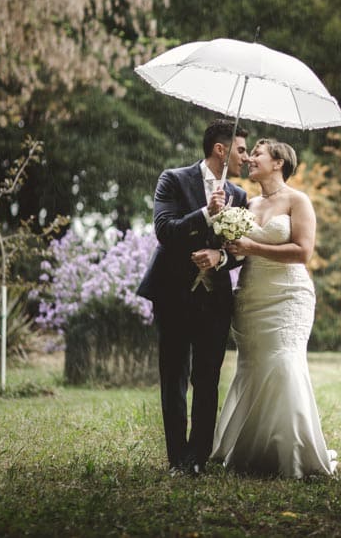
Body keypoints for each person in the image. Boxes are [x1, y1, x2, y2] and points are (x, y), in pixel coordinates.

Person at [211, 139, 337, 478]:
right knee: (253, 369)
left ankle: (292, 451)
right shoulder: (246, 204)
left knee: (283, 363)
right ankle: (252, 450)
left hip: (288, 296)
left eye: (257, 154)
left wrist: (251, 245)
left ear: (278, 162)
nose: (250, 158)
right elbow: (236, 254)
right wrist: (219, 220)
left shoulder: (299, 201)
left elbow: (302, 252)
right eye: (250, 154)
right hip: (251, 296)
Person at [136, 119, 249, 476]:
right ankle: (176, 459)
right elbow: (164, 231)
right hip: (172, 295)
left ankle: (197, 458)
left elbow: (241, 251)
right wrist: (204, 214)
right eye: (241, 150)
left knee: (207, 378)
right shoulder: (172, 179)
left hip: (214, 301)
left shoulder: (240, 195)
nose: (245, 158)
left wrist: (222, 257)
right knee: (173, 378)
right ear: (221, 149)